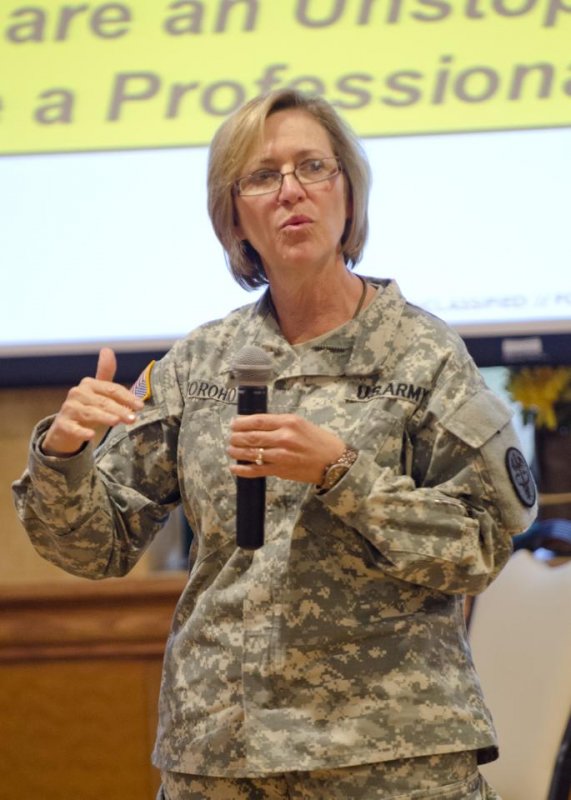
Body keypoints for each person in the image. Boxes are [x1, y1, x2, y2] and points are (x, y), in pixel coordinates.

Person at [13, 88, 537, 800]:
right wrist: (64, 454)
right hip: (219, 755)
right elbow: (94, 549)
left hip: (387, 756)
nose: (291, 191)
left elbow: (478, 548)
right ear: (234, 217)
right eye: (262, 176)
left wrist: (343, 473)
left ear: (348, 194)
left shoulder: (424, 356)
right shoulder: (199, 362)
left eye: (313, 167)